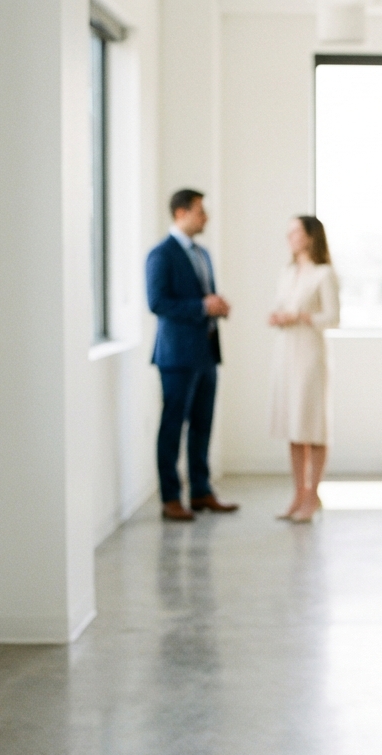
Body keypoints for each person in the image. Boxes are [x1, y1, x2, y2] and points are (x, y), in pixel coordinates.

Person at [146, 189, 240, 521]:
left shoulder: (203, 254)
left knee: (203, 425)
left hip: (206, 353)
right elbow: (157, 303)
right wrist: (202, 305)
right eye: (201, 211)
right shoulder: (161, 254)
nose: (206, 217)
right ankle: (171, 497)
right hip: (176, 357)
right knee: (173, 426)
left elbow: (201, 299)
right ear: (181, 213)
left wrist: (215, 307)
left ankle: (201, 492)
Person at [268, 216, 340, 523]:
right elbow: (280, 305)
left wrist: (299, 316)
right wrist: (279, 316)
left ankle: (313, 494)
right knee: (293, 427)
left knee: (313, 426)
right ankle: (298, 492)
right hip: (286, 354)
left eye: (295, 231)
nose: (290, 236)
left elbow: (332, 317)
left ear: (310, 237)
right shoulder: (287, 272)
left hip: (310, 356)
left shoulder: (324, 274)